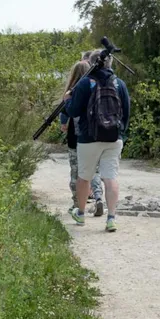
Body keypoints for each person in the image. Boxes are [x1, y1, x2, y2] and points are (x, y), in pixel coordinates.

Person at [65, 52, 130, 232]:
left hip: (88, 138)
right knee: (110, 177)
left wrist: (67, 100)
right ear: (110, 64)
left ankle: (81, 214)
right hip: (113, 138)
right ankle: (111, 218)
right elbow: (126, 112)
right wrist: (121, 135)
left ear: (92, 64)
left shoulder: (85, 83)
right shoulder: (120, 84)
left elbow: (73, 111)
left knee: (84, 177)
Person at [59, 60, 104, 216]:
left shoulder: (72, 91)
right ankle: (98, 197)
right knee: (95, 171)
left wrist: (63, 124)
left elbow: (65, 111)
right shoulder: (95, 87)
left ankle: (77, 204)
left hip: (75, 137)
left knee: (76, 172)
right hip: (94, 135)